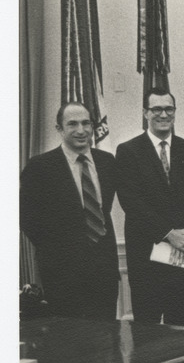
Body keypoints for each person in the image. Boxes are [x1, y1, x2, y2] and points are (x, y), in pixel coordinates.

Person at [20, 102, 119, 320]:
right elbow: (27, 219)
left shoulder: (107, 162)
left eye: (86, 123)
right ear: (59, 129)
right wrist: (60, 252)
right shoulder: (40, 167)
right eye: (72, 124)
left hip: (104, 274)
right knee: (69, 344)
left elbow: (104, 210)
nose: (81, 130)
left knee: (106, 343)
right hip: (63, 276)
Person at [115, 89, 184, 326]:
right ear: (145, 113)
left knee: (182, 323)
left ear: (174, 113)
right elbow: (132, 203)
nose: (163, 114)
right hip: (146, 257)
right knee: (148, 328)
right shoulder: (128, 151)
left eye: (169, 109)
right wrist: (168, 234)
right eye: (156, 109)